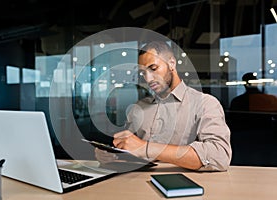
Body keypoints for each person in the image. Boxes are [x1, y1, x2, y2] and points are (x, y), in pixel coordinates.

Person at [95, 41, 232, 171]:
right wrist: (111, 154)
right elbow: (129, 149)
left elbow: (219, 156)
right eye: (143, 73)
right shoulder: (139, 108)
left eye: (153, 69)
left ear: (171, 63)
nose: (148, 79)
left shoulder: (205, 104)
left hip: (184, 186)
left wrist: (146, 148)